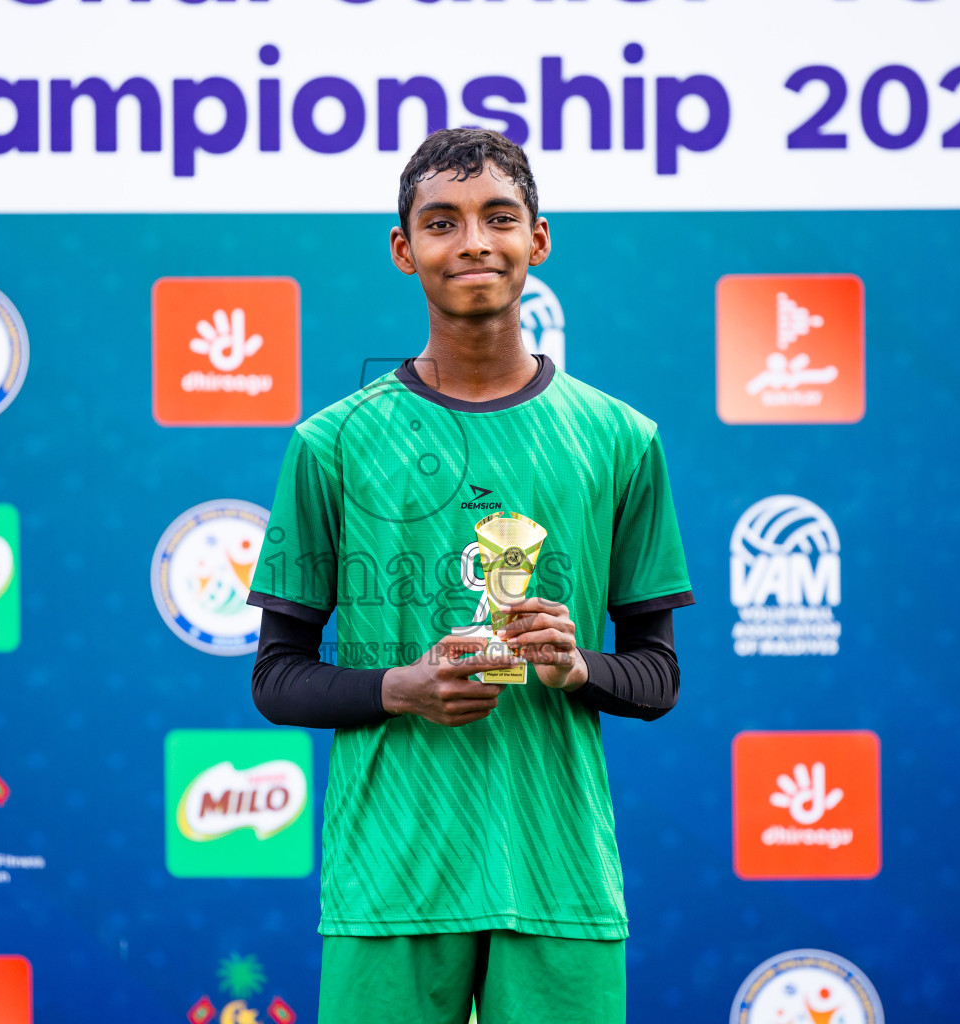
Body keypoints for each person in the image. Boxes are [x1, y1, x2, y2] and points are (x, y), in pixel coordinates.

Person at [247, 127, 693, 1024]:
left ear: (539, 238)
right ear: (404, 250)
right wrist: (402, 689)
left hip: (557, 877)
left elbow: (659, 677)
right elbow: (276, 677)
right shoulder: (331, 443)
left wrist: (580, 668)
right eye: (443, 222)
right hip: (391, 883)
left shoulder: (620, 438)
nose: (474, 242)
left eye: (499, 217)